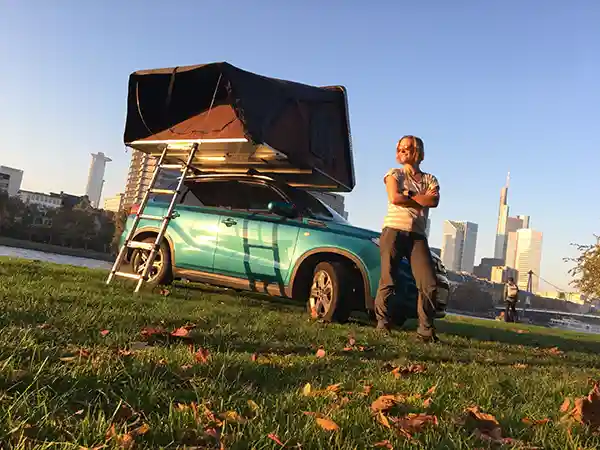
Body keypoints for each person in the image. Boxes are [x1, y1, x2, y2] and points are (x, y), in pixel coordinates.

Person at [374, 135, 441, 342]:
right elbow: (394, 197)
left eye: (408, 148)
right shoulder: (393, 174)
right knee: (389, 279)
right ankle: (382, 324)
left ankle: (425, 331)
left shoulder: (430, 179)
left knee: (428, 283)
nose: (403, 151)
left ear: (419, 153)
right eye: (400, 148)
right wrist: (418, 200)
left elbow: (434, 200)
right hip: (393, 231)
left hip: (417, 236)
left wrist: (408, 196)